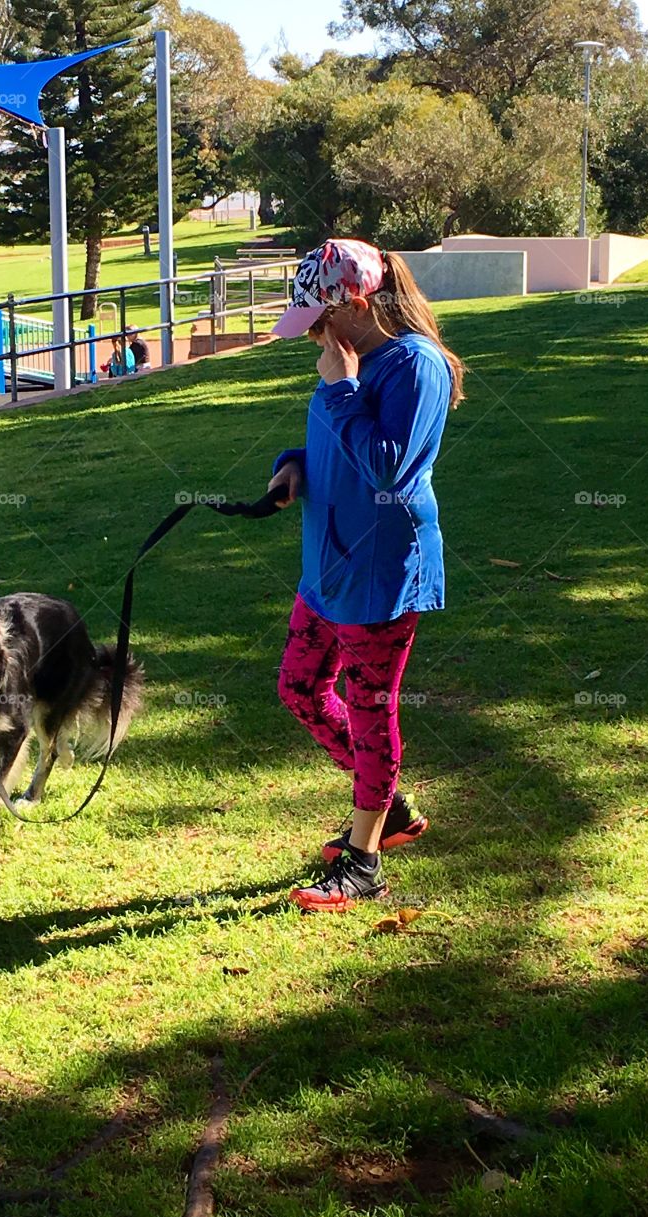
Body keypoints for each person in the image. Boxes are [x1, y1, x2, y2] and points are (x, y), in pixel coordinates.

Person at [267, 238, 464, 912]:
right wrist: (293, 464)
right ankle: (388, 806)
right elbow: (332, 443)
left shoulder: (415, 366)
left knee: (372, 710)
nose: (311, 334)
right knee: (300, 690)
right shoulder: (344, 361)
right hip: (326, 568)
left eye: (316, 319)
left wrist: (343, 388)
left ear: (352, 303)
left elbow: (390, 469)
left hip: (380, 576)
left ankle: (364, 860)